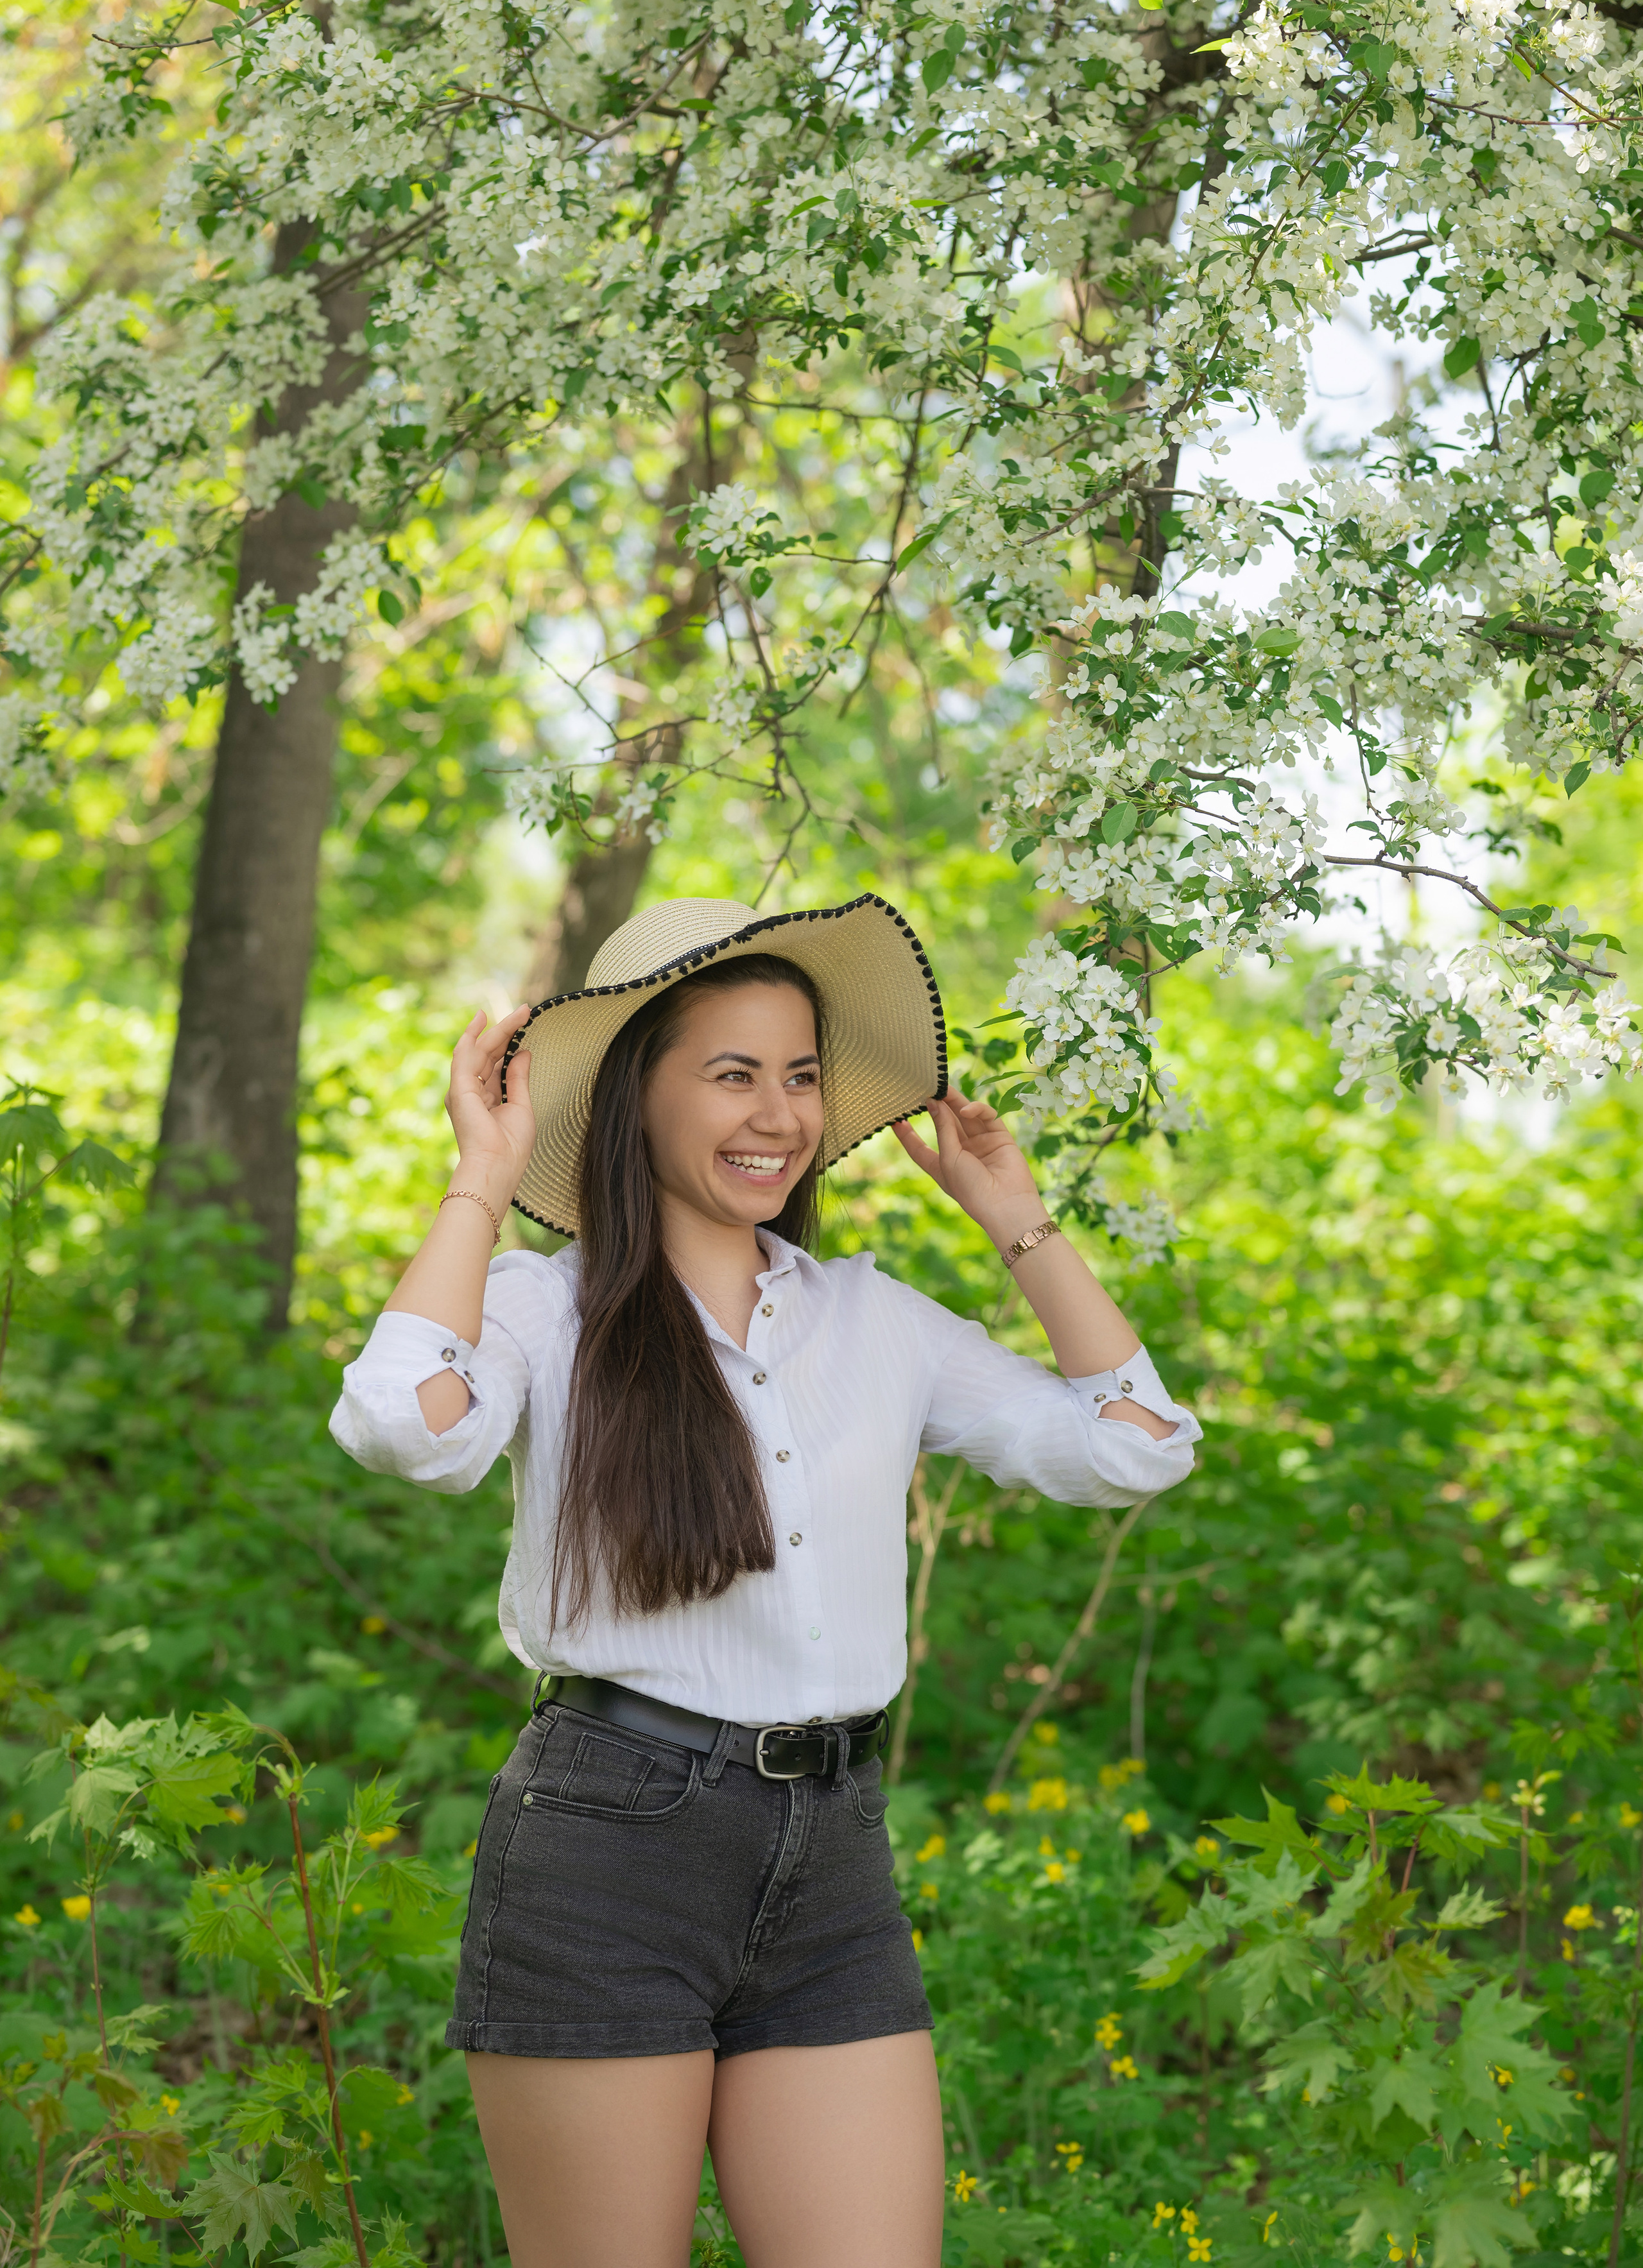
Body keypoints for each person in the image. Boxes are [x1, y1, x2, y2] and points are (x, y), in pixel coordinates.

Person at [331, 893, 1200, 2268]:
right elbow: (401, 1425)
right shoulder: (540, 1309)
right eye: (730, 1073)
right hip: (608, 1846)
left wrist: (1015, 1219)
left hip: (831, 1856)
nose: (778, 1115)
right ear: (633, 1095)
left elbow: (1131, 1448)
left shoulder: (873, 1317)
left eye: (800, 1076)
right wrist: (480, 1178)